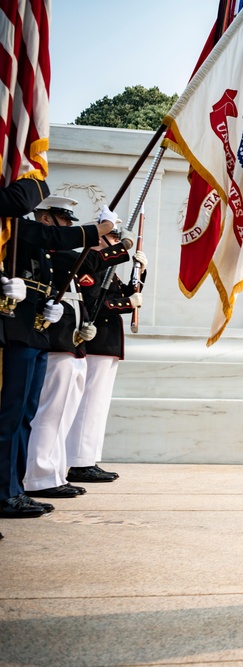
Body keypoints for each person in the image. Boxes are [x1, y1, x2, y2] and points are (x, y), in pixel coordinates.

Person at [1, 183, 117, 518]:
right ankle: (6, 491)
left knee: (25, 416)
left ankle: (14, 488)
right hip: (15, 330)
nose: (66, 225)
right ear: (44, 214)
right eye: (62, 220)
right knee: (12, 416)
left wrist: (47, 304)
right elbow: (55, 241)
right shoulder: (16, 227)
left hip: (36, 329)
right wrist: (101, 231)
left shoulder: (25, 230)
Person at [24, 197, 135, 499]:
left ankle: (54, 473)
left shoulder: (63, 255)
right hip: (56, 341)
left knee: (64, 413)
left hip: (73, 342)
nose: (70, 227)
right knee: (51, 413)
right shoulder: (52, 254)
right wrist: (110, 235)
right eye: (64, 221)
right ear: (46, 220)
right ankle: (40, 476)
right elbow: (91, 261)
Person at [65, 222, 143, 484]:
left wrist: (139, 273)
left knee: (97, 405)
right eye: (113, 237)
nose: (116, 242)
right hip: (96, 343)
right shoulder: (89, 263)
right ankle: (78, 461)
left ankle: (87, 458)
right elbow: (94, 303)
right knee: (89, 403)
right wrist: (126, 303)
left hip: (108, 345)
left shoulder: (109, 270)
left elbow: (127, 294)